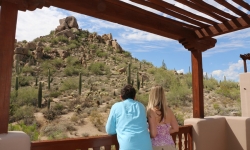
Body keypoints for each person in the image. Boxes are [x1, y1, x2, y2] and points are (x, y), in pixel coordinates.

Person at [106, 84, 153, 150]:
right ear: (134, 97)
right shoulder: (141, 106)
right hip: (146, 146)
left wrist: (121, 130)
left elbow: (109, 130)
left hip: (128, 146)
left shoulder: (116, 107)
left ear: (121, 97)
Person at [147, 85, 179, 150]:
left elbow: (153, 134)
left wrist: (145, 133)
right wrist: (164, 132)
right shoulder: (169, 110)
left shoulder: (151, 111)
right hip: (169, 145)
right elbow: (176, 128)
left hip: (156, 146)